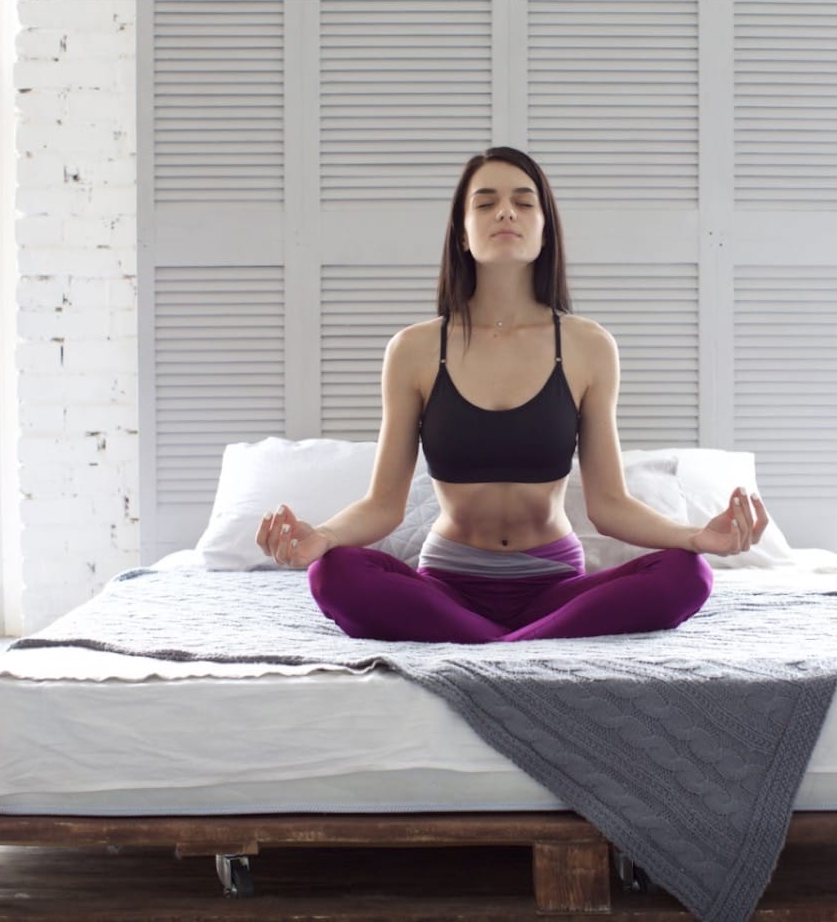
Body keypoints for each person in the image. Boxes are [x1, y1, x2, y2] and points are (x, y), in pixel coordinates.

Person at [256, 146, 767, 643]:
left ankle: (485, 645)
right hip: (447, 587)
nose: (505, 211)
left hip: (557, 587)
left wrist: (695, 537)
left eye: (524, 202)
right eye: (485, 202)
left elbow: (610, 505)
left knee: (688, 574)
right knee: (334, 572)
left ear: (545, 231)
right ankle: (526, 645)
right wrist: (321, 536)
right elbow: (382, 507)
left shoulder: (588, 346)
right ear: (462, 231)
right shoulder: (413, 349)